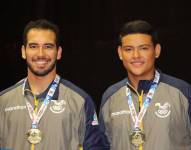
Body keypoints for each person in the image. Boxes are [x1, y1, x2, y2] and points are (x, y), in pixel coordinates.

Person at [0, 19, 110, 150]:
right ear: (24, 52)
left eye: (48, 46)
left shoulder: (80, 101)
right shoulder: (3, 101)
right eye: (33, 46)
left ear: (58, 52)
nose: (40, 54)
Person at [99, 20, 191, 150]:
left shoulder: (182, 92)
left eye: (143, 48)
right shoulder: (110, 97)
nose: (136, 56)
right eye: (129, 49)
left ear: (156, 50)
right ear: (120, 53)